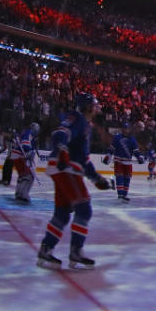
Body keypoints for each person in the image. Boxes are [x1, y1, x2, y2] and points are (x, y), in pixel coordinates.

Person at [37, 94, 111, 270]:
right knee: (84, 209)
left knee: (62, 213)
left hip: (68, 169)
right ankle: (76, 251)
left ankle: (46, 249)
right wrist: (62, 150)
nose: (97, 108)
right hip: (66, 169)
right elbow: (59, 134)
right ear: (87, 107)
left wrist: (96, 178)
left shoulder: (86, 126)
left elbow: (84, 159)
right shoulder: (77, 118)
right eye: (94, 105)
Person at [105, 122, 144, 203]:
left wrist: (139, 158)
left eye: (127, 128)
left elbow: (136, 151)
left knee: (127, 178)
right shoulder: (117, 137)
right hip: (118, 161)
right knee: (119, 177)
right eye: (124, 128)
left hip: (128, 162)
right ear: (122, 129)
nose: (126, 130)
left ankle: (125, 194)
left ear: (129, 129)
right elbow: (111, 148)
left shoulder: (132, 139)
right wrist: (108, 156)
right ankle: (120, 195)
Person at [11, 123, 40, 203]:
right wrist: (29, 152)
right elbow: (25, 145)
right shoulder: (29, 132)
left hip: (16, 155)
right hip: (19, 156)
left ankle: (19, 193)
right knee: (29, 176)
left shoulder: (26, 132)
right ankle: (24, 194)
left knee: (23, 175)